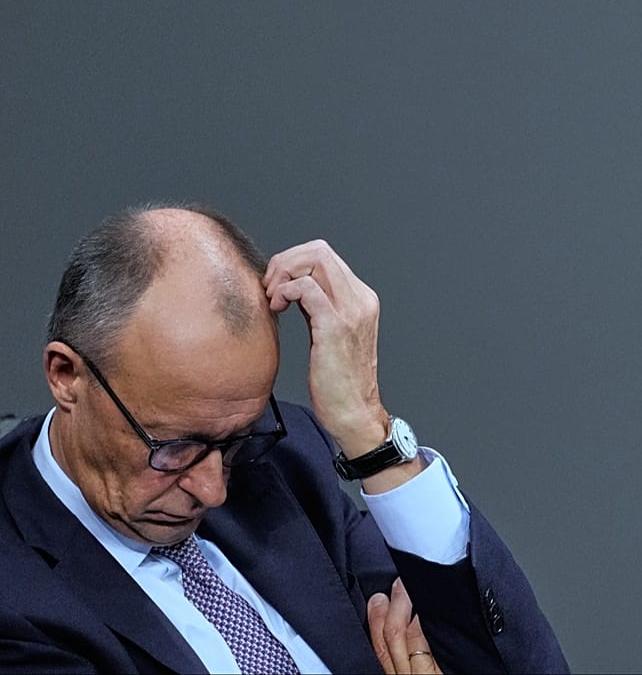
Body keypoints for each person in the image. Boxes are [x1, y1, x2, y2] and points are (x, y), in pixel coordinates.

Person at [0, 204, 569, 674]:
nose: (213, 490)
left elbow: (513, 662)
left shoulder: (286, 462)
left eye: (235, 440)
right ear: (66, 376)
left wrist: (367, 431)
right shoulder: (15, 599)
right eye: (172, 446)